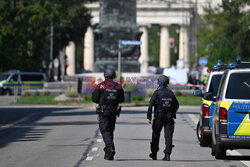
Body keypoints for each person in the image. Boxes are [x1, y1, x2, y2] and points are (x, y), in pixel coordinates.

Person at [92, 68, 124, 160]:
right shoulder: (118, 86)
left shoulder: (100, 86)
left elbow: (94, 98)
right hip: (113, 112)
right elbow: (121, 99)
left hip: (103, 112)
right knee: (110, 130)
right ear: (113, 75)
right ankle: (108, 153)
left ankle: (110, 148)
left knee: (105, 131)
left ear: (105, 75)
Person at [147, 75, 179, 161]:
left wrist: (149, 117)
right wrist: (173, 113)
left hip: (159, 116)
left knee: (156, 134)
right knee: (168, 136)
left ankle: (154, 154)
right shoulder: (170, 92)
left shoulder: (157, 92)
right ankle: (167, 154)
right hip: (169, 116)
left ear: (159, 83)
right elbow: (176, 105)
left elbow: (150, 105)